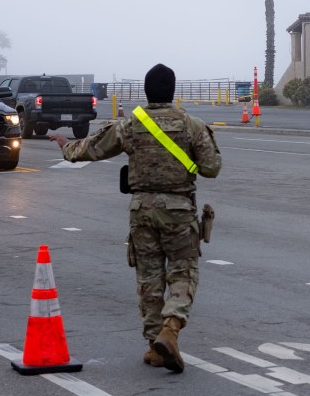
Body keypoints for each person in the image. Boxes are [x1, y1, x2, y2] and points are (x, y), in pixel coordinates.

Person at [50, 64, 221, 374]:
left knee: (149, 280)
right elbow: (211, 168)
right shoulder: (191, 125)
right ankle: (170, 330)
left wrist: (67, 147)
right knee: (182, 274)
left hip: (141, 210)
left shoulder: (130, 125)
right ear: (173, 91)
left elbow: (94, 149)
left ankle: (155, 346)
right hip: (179, 211)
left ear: (146, 91)